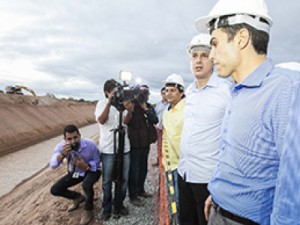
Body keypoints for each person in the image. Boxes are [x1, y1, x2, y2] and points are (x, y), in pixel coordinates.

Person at [194, 0, 300, 224]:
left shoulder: (286, 90)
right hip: (218, 209)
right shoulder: (235, 89)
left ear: (241, 38)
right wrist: (217, 194)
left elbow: (294, 185)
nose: (211, 55)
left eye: (215, 43)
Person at [177, 33, 231, 225]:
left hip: (208, 179)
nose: (198, 60)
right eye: (194, 56)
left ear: (213, 58)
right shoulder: (189, 93)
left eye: (204, 55)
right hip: (184, 173)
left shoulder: (226, 91)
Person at [94, 79, 133, 221]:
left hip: (124, 147)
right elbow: (101, 120)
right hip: (109, 149)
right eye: (114, 91)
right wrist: (109, 103)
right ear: (107, 92)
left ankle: (119, 205)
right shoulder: (101, 104)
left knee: (123, 178)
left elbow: (126, 122)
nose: (118, 94)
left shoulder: (122, 104)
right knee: (107, 181)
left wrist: (129, 110)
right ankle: (106, 208)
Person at [50, 124, 101, 225]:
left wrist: (86, 166)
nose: (73, 141)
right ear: (65, 139)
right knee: (55, 189)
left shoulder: (90, 144)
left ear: (80, 136)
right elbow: (53, 165)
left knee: (86, 184)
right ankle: (77, 197)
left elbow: (98, 161)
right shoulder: (62, 147)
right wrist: (62, 155)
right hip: (77, 172)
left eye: (75, 137)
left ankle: (88, 209)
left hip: (93, 170)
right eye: (69, 139)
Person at [127, 84, 158, 206]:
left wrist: (145, 109)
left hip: (145, 143)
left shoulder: (148, 107)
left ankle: (141, 190)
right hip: (133, 144)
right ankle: (133, 195)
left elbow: (155, 120)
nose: (144, 96)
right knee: (133, 170)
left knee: (143, 168)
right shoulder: (131, 107)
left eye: (146, 94)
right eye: (141, 94)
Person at [161, 73, 185, 221]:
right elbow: (165, 137)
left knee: (183, 202)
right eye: (166, 90)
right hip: (171, 165)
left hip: (184, 166)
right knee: (173, 199)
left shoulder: (188, 110)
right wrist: (165, 161)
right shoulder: (166, 112)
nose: (168, 93)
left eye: (173, 90)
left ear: (181, 92)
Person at [153, 87, 169, 166]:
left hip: (168, 129)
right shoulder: (158, 104)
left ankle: (165, 161)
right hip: (159, 128)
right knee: (159, 145)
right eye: (163, 93)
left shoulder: (171, 104)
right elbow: (155, 115)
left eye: (165, 93)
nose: (164, 95)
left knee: (167, 146)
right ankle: (159, 161)